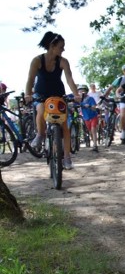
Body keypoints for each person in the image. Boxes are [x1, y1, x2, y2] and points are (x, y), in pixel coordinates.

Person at [25, 31, 81, 170]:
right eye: (61, 46)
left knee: (64, 126)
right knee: (41, 109)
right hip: (41, 95)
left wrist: (76, 94)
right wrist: (28, 94)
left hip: (58, 96)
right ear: (52, 45)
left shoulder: (63, 61)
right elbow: (30, 80)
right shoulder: (37, 60)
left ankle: (67, 158)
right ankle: (40, 134)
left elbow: (69, 79)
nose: (63, 49)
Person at [104, 64, 125, 142]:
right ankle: (123, 130)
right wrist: (104, 96)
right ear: (123, 71)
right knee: (123, 115)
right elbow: (111, 87)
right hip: (122, 99)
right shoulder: (120, 79)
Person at [78, 84, 99, 151]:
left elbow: (94, 107)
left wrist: (90, 106)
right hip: (86, 118)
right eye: (80, 91)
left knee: (93, 129)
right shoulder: (79, 100)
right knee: (90, 131)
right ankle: (94, 143)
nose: (81, 92)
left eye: (83, 91)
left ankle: (95, 145)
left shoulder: (90, 98)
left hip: (93, 116)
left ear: (86, 91)